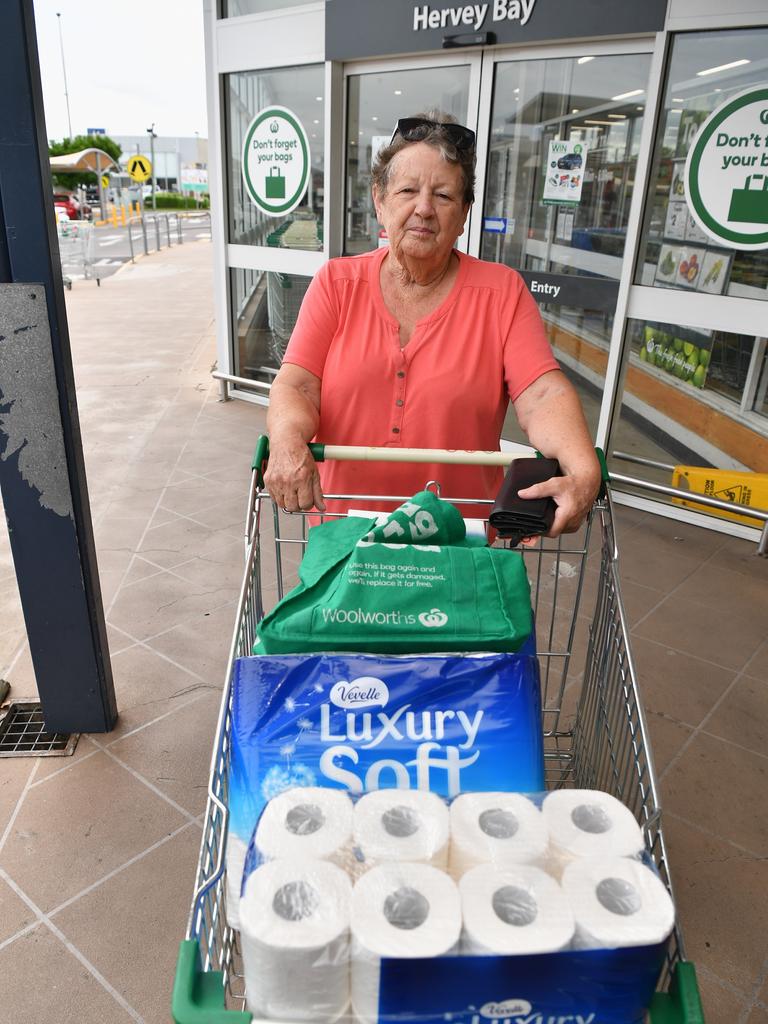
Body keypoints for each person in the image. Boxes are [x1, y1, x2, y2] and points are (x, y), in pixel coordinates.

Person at [265, 111, 600, 537]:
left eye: (443, 196)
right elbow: (298, 385)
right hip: (345, 535)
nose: (424, 208)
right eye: (408, 190)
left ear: (463, 215)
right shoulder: (337, 283)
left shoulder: (501, 293)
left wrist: (582, 468)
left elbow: (541, 392)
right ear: (380, 201)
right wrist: (287, 440)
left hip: (457, 540)